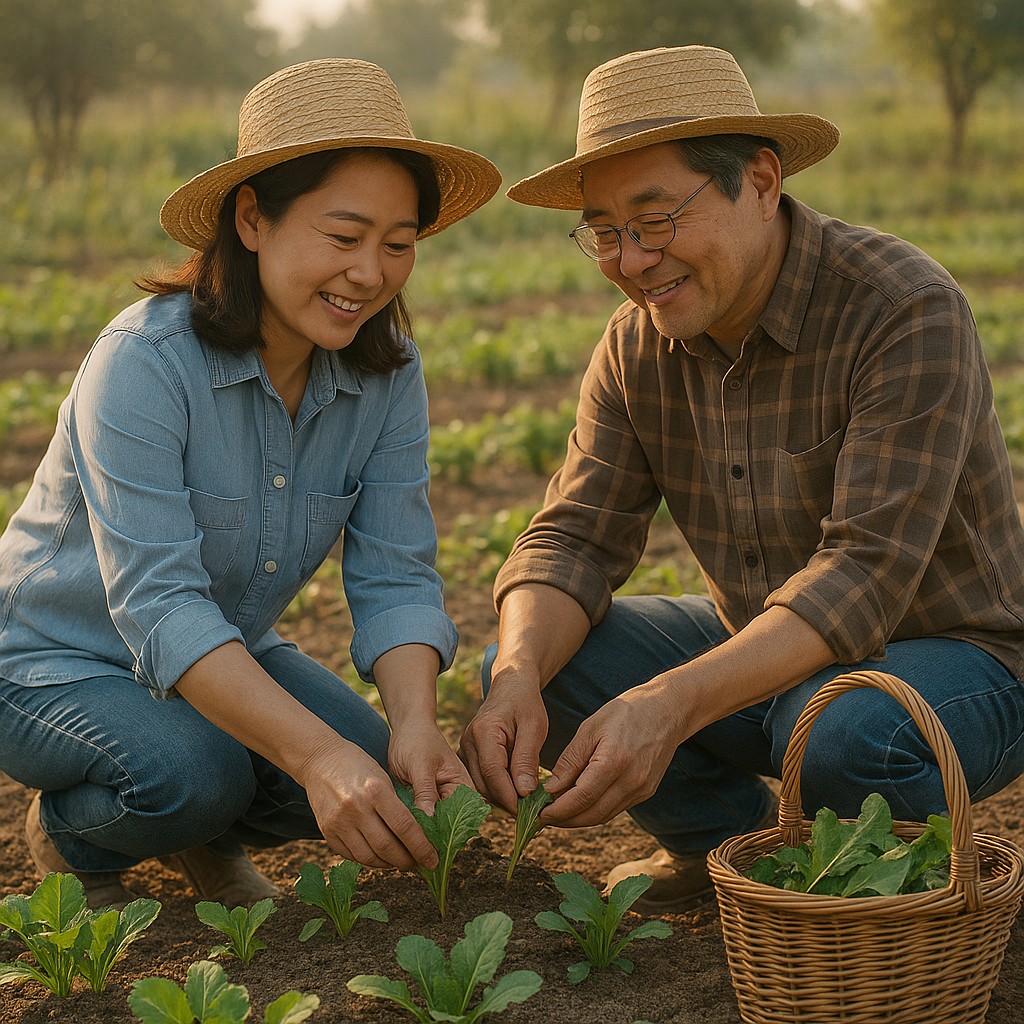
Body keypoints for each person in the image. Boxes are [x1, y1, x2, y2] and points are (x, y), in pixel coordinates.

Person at [459, 45, 1024, 913]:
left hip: (961, 658)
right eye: (604, 232)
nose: (631, 261)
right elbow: (572, 539)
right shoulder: (635, 344)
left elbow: (863, 576)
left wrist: (670, 703)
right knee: (541, 660)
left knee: (845, 734)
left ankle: (884, 887)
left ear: (761, 182)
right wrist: (515, 681)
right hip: (769, 653)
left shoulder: (901, 307)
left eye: (655, 219)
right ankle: (721, 851)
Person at [0, 58, 501, 910]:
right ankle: (79, 831)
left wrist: (417, 725)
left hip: (226, 644)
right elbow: (160, 606)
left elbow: (395, 571)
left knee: (377, 769)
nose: (370, 274)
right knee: (197, 773)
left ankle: (205, 827)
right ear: (252, 218)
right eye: (343, 238)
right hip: (52, 660)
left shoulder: (388, 372)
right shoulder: (144, 362)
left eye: (398, 244)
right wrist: (312, 757)